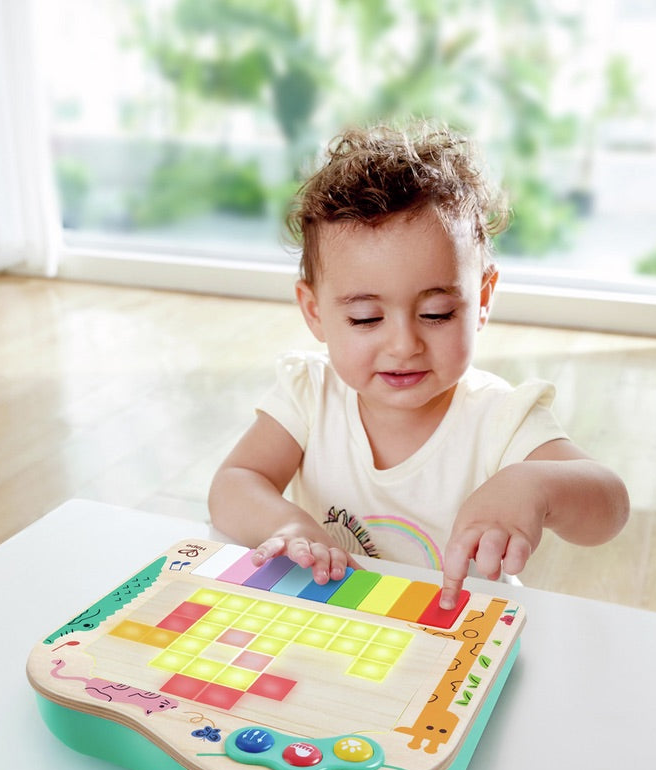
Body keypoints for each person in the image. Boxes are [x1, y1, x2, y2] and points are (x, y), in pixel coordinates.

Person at [208, 122, 629, 609]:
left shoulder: (499, 418)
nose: (404, 344)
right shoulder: (310, 394)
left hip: (455, 639)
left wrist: (534, 486)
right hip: (333, 625)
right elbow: (234, 482)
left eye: (436, 314)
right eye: (366, 318)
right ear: (315, 312)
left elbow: (610, 505)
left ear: (482, 298)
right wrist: (287, 525)